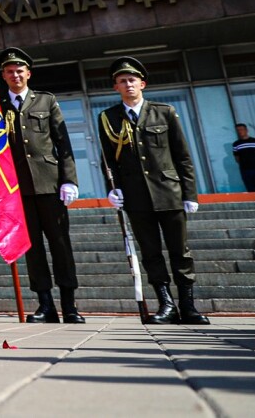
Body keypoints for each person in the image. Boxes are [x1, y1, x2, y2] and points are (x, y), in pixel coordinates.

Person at [102, 57, 210, 325]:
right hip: (136, 197)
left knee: (180, 252)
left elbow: (182, 156)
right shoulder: (108, 118)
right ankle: (166, 305)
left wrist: (189, 193)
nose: (128, 84)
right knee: (150, 253)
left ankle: (188, 306)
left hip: (169, 193)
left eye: (132, 80)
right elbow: (108, 160)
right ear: (115, 87)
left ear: (142, 84)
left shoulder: (165, 112)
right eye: (122, 81)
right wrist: (112, 190)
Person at [0, 47, 83, 324]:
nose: (15, 75)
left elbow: (63, 143)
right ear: (3, 76)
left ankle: (69, 305)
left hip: (50, 184)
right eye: (10, 71)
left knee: (60, 245)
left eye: (19, 70)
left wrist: (69, 180)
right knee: (32, 249)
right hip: (18, 191)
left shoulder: (46, 101)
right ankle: (45, 304)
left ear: (28, 73)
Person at [231, 124, 255, 193]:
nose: (240, 132)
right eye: (238, 130)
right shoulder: (236, 144)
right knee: (251, 191)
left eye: (241, 129)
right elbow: (237, 158)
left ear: (246, 130)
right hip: (246, 171)